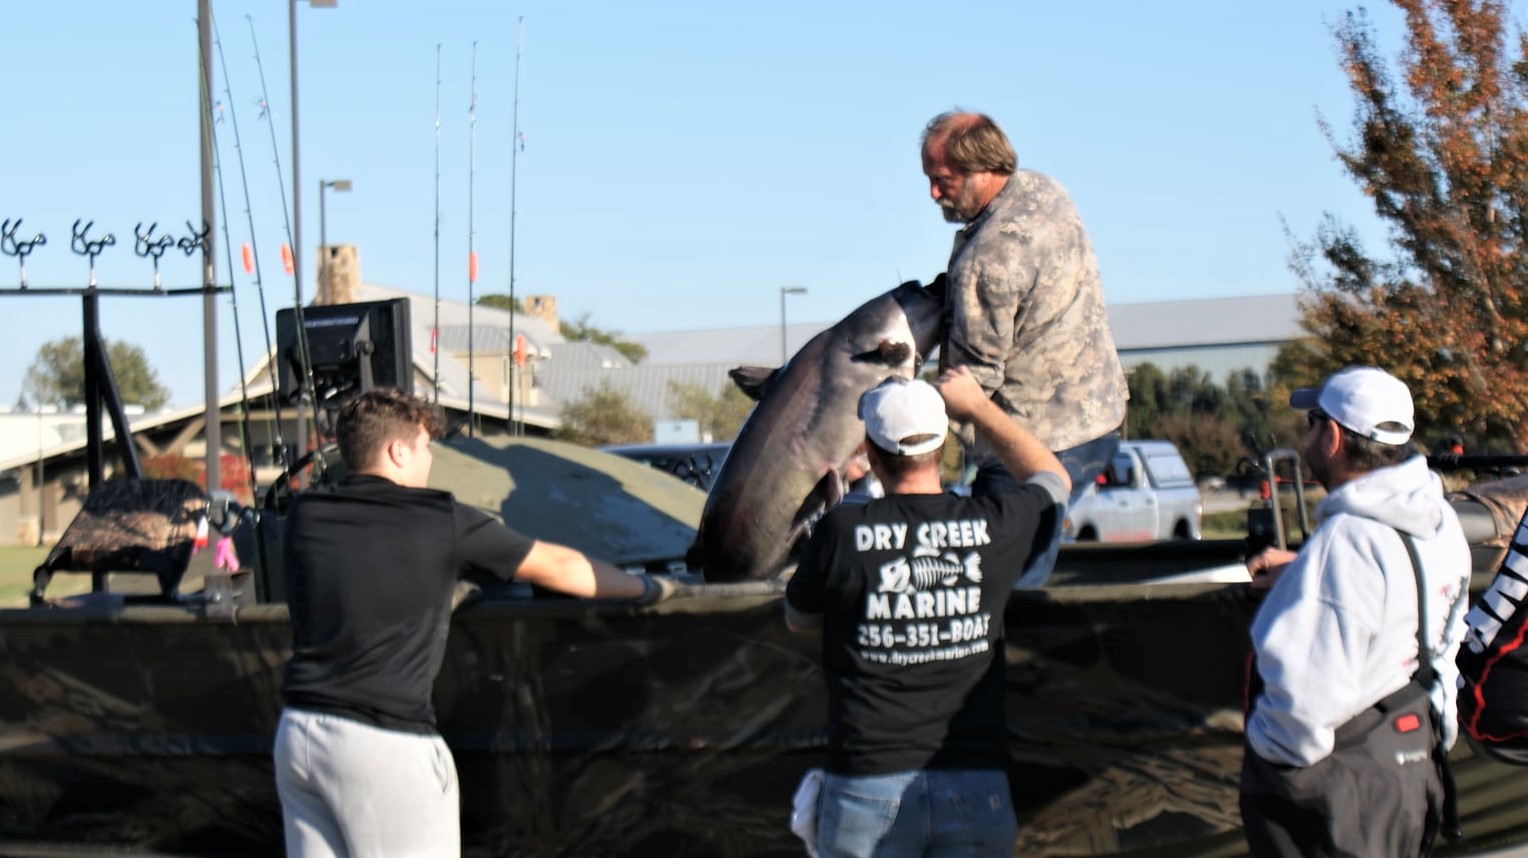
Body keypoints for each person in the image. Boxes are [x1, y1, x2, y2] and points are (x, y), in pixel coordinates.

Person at [274, 388, 656, 858]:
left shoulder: (305, 515)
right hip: (383, 743)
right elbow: (562, 568)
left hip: (299, 735)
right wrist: (648, 589)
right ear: (397, 451)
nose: (429, 461)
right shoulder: (440, 520)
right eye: (425, 448)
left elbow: (366, 575)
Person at [785, 366, 1070, 858]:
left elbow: (798, 619)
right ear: (943, 450)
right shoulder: (995, 524)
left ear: (870, 454)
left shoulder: (839, 532)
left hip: (865, 783)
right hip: (976, 784)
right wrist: (979, 408)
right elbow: (1055, 481)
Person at [1241, 366, 1470, 857]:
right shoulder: (1437, 519)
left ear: (1335, 436)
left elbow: (1302, 704)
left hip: (1341, 796)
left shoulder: (1347, 543)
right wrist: (1306, 568)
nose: (1310, 435)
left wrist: (1269, 759)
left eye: (1312, 423)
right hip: (1410, 767)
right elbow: (1429, 614)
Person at [921, 110, 1127, 584]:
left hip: (1034, 440)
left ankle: (1006, 656)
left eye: (942, 180)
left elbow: (970, 384)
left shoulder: (988, 260)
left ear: (982, 169)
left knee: (995, 581)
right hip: (1098, 416)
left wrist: (903, 419)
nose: (933, 194)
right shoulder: (1043, 190)